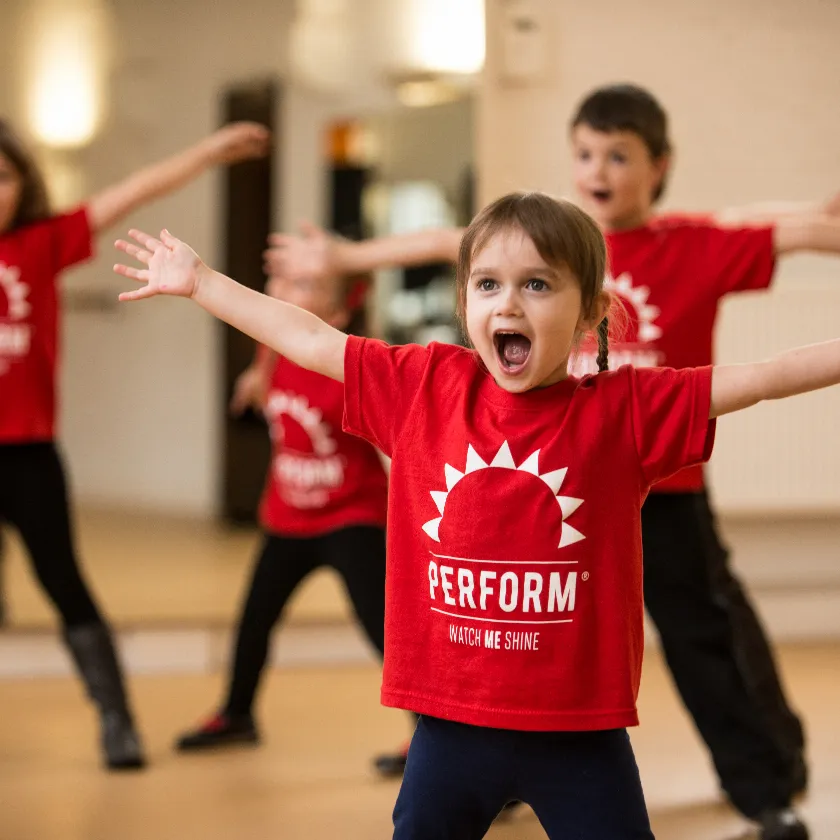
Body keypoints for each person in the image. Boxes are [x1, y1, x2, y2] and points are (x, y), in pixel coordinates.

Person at [113, 189, 837, 839]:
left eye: (538, 285)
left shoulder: (626, 410)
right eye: (488, 284)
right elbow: (310, 339)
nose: (509, 304)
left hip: (580, 734)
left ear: (591, 313)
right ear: (464, 304)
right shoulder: (422, 385)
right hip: (449, 730)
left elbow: (765, 379)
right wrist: (201, 282)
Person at [261, 83, 840, 828]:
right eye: (587, 152)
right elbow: (429, 254)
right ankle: (494, 765)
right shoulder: (506, 289)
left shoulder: (683, 265)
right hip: (531, 548)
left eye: (619, 155)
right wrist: (335, 257)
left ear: (658, 167)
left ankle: (763, 790)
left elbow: (786, 262)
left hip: (657, 488)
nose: (599, 168)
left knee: (703, 636)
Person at [0, 117, 269, 770]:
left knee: (62, 582)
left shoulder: (43, 241)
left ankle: (116, 718)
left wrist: (206, 151)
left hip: (27, 454)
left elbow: (133, 191)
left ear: (23, 186)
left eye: (3, 176)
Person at [173, 271, 406, 762]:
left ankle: (436, 734)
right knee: (255, 618)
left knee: (383, 628)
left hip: (352, 514)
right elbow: (270, 394)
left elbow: (395, 447)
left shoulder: (352, 368)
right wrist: (253, 385)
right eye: (280, 282)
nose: (282, 291)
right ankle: (237, 715)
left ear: (338, 315)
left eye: (303, 284)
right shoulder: (271, 349)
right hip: (287, 516)